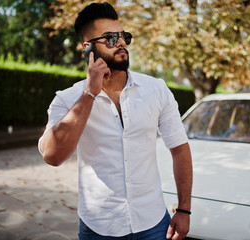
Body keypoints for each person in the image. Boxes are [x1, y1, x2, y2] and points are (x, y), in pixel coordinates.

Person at [38, 2, 192, 240]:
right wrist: (90, 93)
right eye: (110, 38)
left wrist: (184, 209)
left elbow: (180, 149)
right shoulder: (68, 99)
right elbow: (52, 155)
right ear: (88, 48)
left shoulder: (157, 89)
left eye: (123, 36)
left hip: (153, 223)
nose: (120, 42)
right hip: (99, 226)